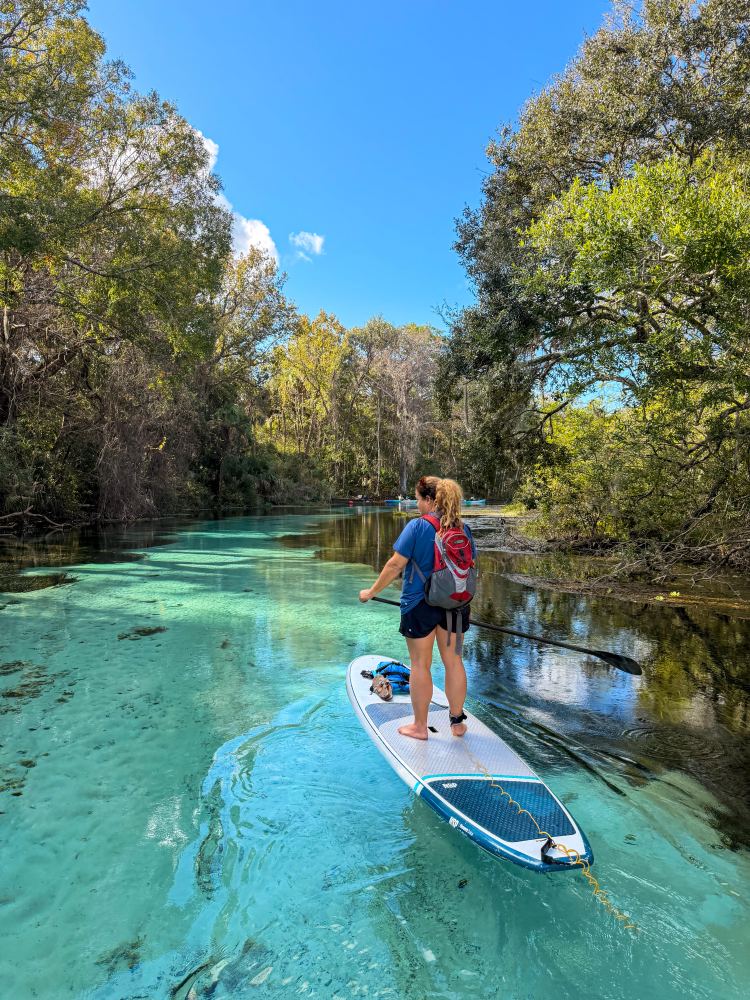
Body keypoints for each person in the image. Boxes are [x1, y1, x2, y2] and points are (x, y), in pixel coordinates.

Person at [358, 476, 476, 741]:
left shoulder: (417, 527)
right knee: (454, 662)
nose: (417, 504)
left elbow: (394, 565)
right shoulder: (463, 529)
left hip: (418, 605)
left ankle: (420, 727)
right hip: (455, 608)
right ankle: (457, 723)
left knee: (420, 665)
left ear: (429, 500)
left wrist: (371, 592)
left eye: (418, 499)